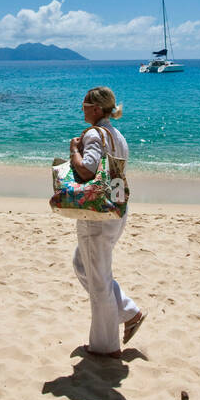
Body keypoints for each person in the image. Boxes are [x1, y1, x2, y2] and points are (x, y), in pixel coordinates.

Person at [69, 87, 145, 359]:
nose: (83, 109)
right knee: (83, 265)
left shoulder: (92, 134)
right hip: (117, 207)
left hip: (97, 214)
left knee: (99, 280)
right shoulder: (116, 134)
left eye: (86, 104)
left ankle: (105, 346)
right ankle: (128, 311)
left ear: (97, 109)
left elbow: (87, 169)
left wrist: (74, 151)